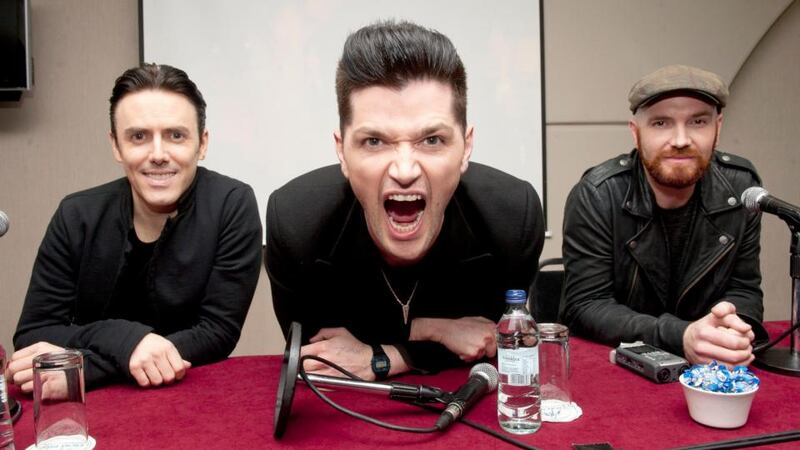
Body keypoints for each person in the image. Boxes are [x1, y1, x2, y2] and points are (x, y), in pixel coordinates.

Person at [266, 20, 544, 380]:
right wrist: (436, 331)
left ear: (466, 147)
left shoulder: (512, 218)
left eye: (431, 140)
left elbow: (496, 344)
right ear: (341, 152)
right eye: (374, 141)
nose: (404, 168)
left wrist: (384, 356)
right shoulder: (296, 222)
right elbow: (320, 360)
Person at [6, 64, 262, 391]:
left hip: (190, 396)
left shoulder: (232, 204)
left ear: (202, 144)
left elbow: (216, 332)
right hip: (93, 412)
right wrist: (127, 339)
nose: (158, 154)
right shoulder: (76, 214)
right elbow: (33, 333)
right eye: (139, 136)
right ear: (116, 146)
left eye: (176, 135)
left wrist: (84, 368)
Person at [561, 64, 766, 367]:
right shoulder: (599, 194)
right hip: (619, 369)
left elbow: (744, 288)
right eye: (661, 123)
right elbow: (585, 306)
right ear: (636, 133)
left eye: (698, 121)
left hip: (711, 370)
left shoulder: (741, 186)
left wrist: (730, 330)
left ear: (718, 128)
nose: (681, 139)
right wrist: (681, 335)